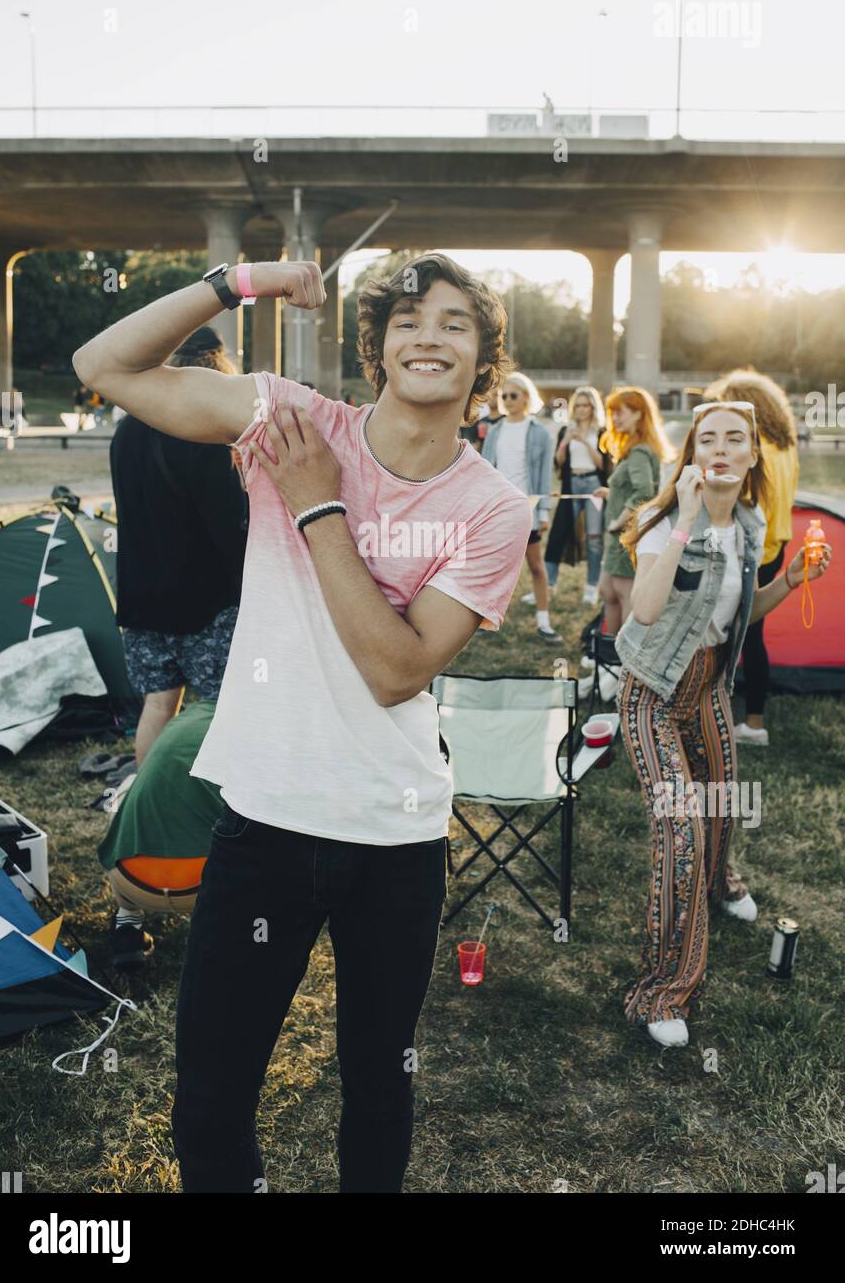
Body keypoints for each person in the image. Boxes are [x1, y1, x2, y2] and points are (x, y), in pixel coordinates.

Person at [73, 251, 532, 1194]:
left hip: (395, 834)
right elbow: (103, 366)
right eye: (408, 320)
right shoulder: (291, 420)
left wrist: (317, 503)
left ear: (484, 358)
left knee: (378, 1090)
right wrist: (240, 283)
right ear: (377, 348)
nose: (429, 338)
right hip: (266, 817)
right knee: (211, 1097)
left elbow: (396, 670)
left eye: (454, 323)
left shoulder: (492, 509)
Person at [615, 401, 832, 1049]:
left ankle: (716, 884)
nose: (720, 448)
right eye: (706, 438)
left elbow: (740, 613)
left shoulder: (749, 522)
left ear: (752, 454)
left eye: (734, 438)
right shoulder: (661, 523)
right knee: (681, 829)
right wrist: (684, 521)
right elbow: (644, 610)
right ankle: (662, 992)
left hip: (708, 686)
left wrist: (790, 581)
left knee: (721, 807)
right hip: (652, 691)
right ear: (692, 453)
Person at [109, 326, 249, 773]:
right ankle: (221, 798)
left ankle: (146, 796)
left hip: (141, 599)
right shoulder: (205, 432)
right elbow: (230, 527)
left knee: (158, 704)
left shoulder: (127, 428)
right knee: (223, 708)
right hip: (205, 604)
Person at [702, 370, 799, 746]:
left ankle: (743, 720)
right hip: (776, 545)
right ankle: (750, 718)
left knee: (733, 632)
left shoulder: (755, 450)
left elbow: (743, 500)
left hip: (749, 548)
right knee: (751, 632)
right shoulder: (786, 445)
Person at [97, 700, 221, 967]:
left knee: (128, 786)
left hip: (131, 880)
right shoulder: (254, 732)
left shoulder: (186, 719)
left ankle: (128, 918)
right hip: (205, 889)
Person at [481, 373, 559, 640]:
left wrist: (544, 511)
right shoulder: (495, 431)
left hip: (528, 510)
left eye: (513, 395)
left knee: (536, 566)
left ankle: (544, 622)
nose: (507, 400)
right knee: (493, 568)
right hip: (498, 511)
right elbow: (486, 472)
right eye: (504, 396)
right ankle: (485, 619)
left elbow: (545, 475)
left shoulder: (540, 433)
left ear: (526, 398)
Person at [598, 387, 674, 636]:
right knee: (608, 592)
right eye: (612, 412)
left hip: (627, 535)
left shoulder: (640, 450)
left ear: (639, 414)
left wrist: (617, 522)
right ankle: (609, 653)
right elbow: (634, 488)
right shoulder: (634, 448)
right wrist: (611, 494)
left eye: (620, 412)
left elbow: (643, 492)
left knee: (623, 595)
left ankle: (621, 655)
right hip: (621, 536)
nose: (614, 418)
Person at [541, 386, 609, 606]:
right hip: (571, 485)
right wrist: (566, 441)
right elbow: (558, 461)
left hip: (593, 485)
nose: (580, 409)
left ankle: (592, 587)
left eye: (585, 405)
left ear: (592, 408)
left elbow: (604, 464)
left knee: (594, 539)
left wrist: (585, 441)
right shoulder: (566, 429)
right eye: (577, 405)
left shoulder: (601, 431)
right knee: (558, 534)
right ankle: (547, 585)